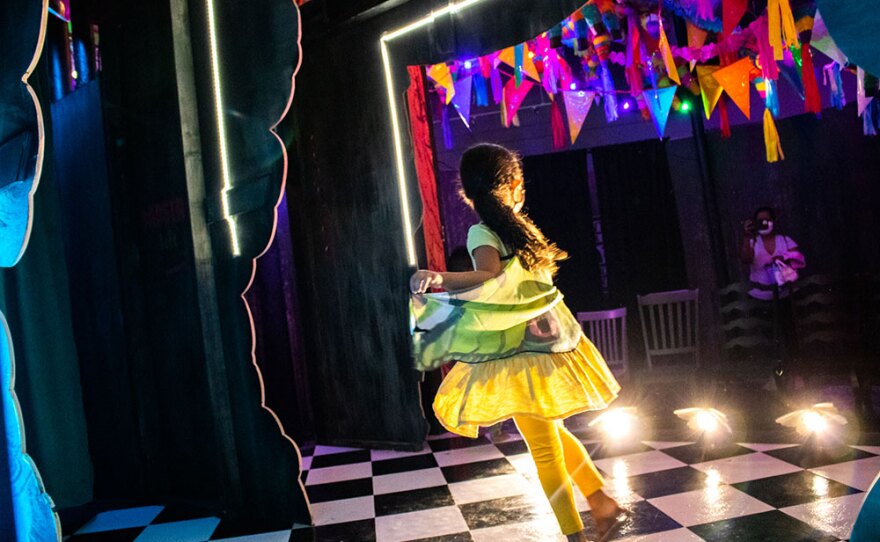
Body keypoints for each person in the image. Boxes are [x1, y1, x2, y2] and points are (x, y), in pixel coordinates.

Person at [409, 144, 626, 542]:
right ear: (511, 185)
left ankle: (576, 533)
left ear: (470, 194)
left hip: (518, 351)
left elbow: (487, 277)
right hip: (549, 344)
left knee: (544, 444)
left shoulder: (483, 230)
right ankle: (601, 505)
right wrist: (442, 278)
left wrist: (439, 277)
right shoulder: (521, 230)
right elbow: (503, 279)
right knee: (552, 434)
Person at [740, 206, 806, 384]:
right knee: (768, 338)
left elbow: (799, 259)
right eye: (759, 220)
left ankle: (796, 375)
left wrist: (784, 258)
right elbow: (746, 259)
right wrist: (746, 237)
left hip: (785, 295)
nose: (764, 223)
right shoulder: (753, 242)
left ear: (773, 220)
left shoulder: (785, 240)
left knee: (791, 335)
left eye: (766, 219)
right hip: (761, 298)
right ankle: (774, 379)